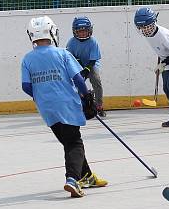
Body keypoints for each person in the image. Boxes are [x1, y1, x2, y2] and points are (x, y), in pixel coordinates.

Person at [20, 15, 108, 197]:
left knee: (68, 141)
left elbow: (26, 86)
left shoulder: (27, 59)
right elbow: (78, 78)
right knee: (75, 143)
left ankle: (87, 176)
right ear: (52, 32)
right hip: (67, 105)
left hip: (46, 109)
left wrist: (42, 96)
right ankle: (72, 179)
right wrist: (86, 97)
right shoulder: (63, 54)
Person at [133, 7, 169, 129]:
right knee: (166, 87)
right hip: (167, 59)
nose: (145, 30)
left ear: (154, 23)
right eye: (142, 27)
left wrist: (162, 64)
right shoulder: (148, 34)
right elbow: (161, 49)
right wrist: (162, 61)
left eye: (147, 26)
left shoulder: (164, 35)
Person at [66, 16, 106, 117]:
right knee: (75, 85)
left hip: (91, 65)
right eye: (80, 31)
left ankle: (99, 105)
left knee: (96, 80)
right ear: (75, 32)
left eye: (85, 31)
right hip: (77, 66)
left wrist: (86, 70)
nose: (83, 33)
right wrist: (78, 67)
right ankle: (80, 105)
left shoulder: (93, 42)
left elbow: (93, 59)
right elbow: (70, 58)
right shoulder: (71, 43)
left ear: (90, 30)